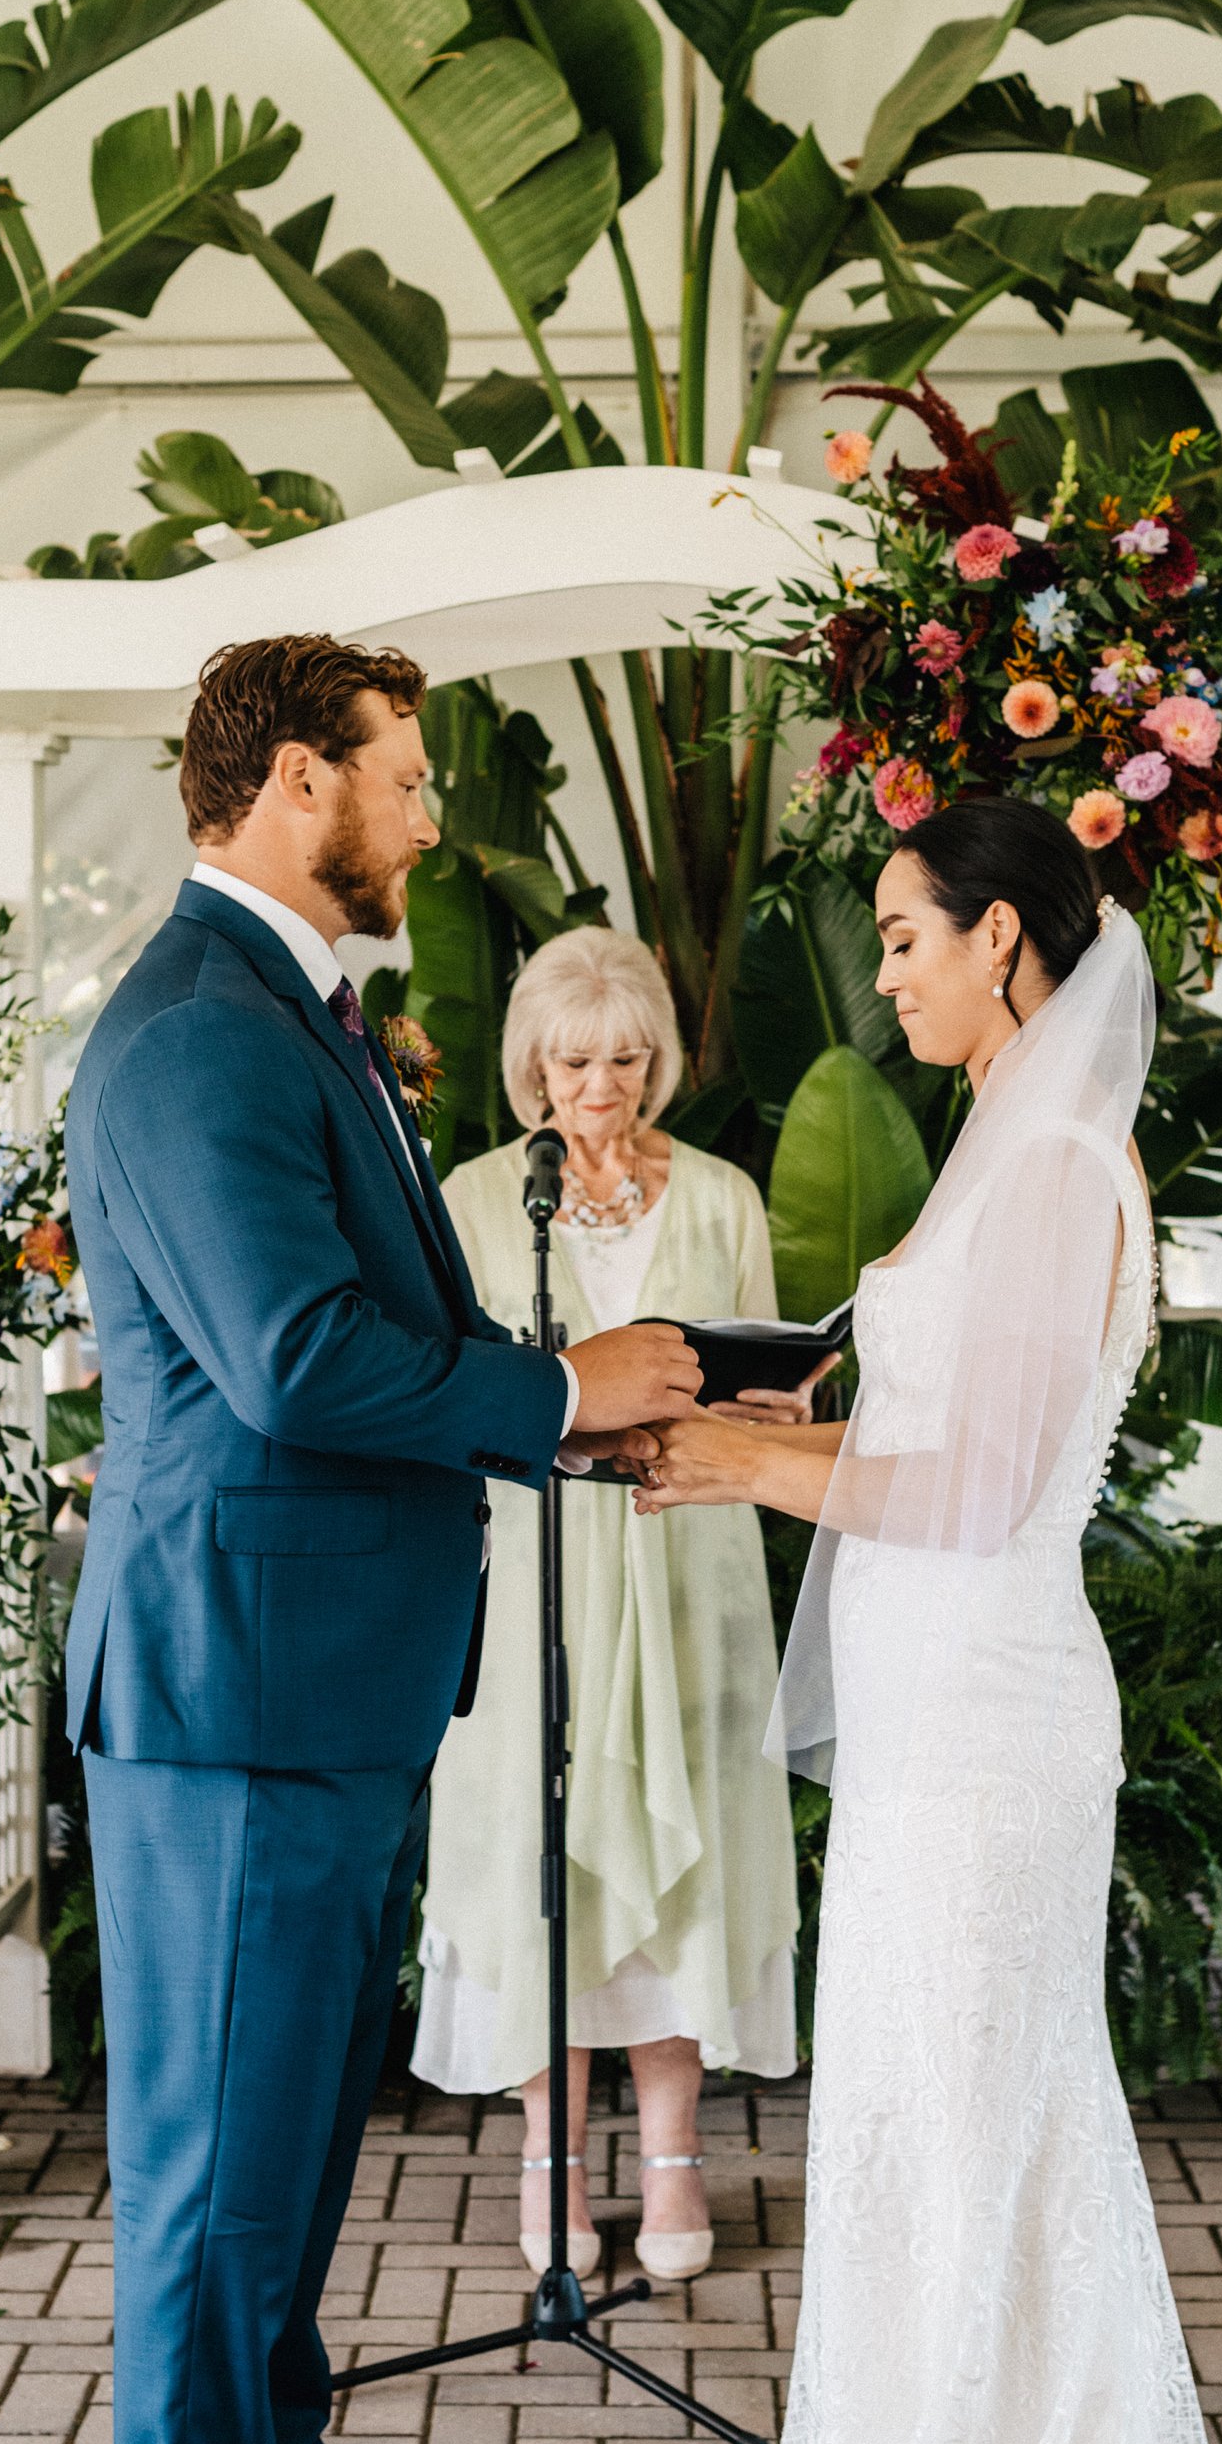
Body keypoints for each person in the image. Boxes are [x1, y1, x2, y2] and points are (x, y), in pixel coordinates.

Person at [625, 795, 1222, 2444]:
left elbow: (972, 1492)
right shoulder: (1002, 1153)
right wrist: (758, 1440)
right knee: (928, 2137)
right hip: (942, 1713)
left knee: (971, 2147)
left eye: (902, 935)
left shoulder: (1049, 1168)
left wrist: (742, 1467)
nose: (882, 973)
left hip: (992, 1730)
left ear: (1009, 944)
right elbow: (937, 1435)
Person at [63, 634, 703, 2444]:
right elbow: (295, 1359)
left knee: (290, 2151)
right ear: (284, 786)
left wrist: (591, 1416)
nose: (431, 815)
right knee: (211, 2186)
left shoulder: (289, 1015)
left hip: (314, 1687)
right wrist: (554, 1396)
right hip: (232, 1699)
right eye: (400, 778)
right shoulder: (189, 1038)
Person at [414, 929, 806, 2285]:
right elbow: (449, 1393)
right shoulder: (472, 1201)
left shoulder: (722, 1196)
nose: (604, 1087)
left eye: (628, 1059)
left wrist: (770, 1401)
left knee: (686, 1836)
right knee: (544, 1844)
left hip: (688, 1549)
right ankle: (552, 2163)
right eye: (577, 1062)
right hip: (540, 1564)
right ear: (533, 1066)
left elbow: (769, 1381)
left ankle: (678, 2155)